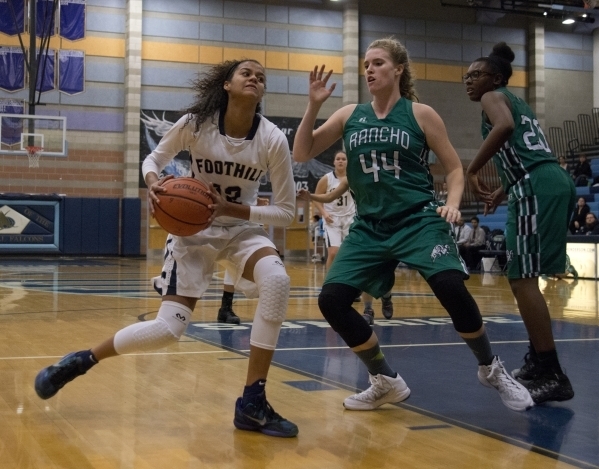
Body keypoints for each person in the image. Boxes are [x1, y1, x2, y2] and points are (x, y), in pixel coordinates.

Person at [34, 59, 299, 438]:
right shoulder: (196, 123)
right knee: (167, 330)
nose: (255, 77)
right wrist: (154, 181)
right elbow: (153, 159)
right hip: (193, 235)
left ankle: (252, 402)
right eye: (247, 73)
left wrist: (230, 209)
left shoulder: (272, 138)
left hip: (242, 228)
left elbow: (287, 212)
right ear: (226, 84)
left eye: (261, 76)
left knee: (276, 281)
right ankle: (81, 360)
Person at [293, 37, 532, 412]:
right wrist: (312, 105)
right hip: (370, 225)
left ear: (398, 70)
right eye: (366, 64)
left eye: (378, 63)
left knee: (451, 286)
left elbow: (454, 167)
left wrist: (452, 204)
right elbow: (301, 152)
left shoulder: (421, 114)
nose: (369, 69)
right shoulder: (349, 114)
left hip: (418, 219)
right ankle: (385, 379)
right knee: (331, 301)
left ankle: (491, 368)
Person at [464, 41, 576, 404]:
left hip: (536, 185)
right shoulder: (514, 99)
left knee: (522, 278)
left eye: (475, 74)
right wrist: (504, 188)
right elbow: (524, 146)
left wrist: (473, 167)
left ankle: (551, 371)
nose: (468, 81)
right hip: (537, 181)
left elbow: (505, 127)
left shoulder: (494, 97)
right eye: (465, 76)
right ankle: (538, 360)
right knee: (522, 278)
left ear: (495, 78)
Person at [299, 179, 393, 324]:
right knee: (364, 267)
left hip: (387, 225)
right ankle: (368, 310)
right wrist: (311, 196)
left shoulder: (386, 177)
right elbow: (330, 196)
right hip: (362, 226)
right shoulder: (352, 176)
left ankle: (386, 296)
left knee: (383, 271)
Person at [217, 196, 270, 325]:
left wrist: (254, 200)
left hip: (245, 216)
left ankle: (225, 308)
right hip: (222, 217)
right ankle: (167, 282)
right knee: (197, 257)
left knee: (271, 268)